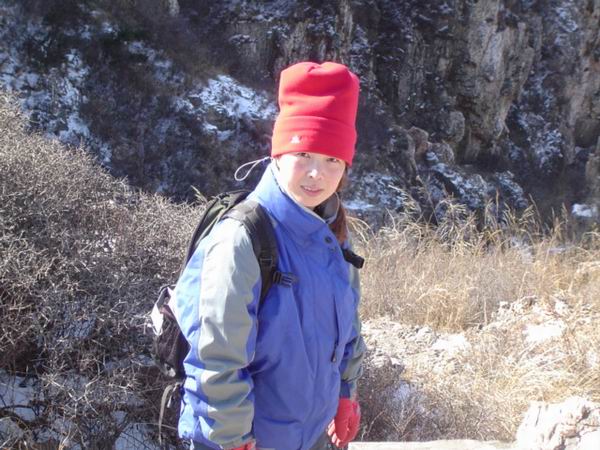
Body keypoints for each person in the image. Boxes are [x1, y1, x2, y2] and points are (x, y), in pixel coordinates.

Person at [173, 61, 366, 450]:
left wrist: (346, 390)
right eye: (304, 154)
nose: (317, 174)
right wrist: (232, 439)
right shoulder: (242, 237)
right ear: (278, 154)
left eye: (332, 159)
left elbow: (345, 328)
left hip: (310, 437)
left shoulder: (330, 234)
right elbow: (216, 356)